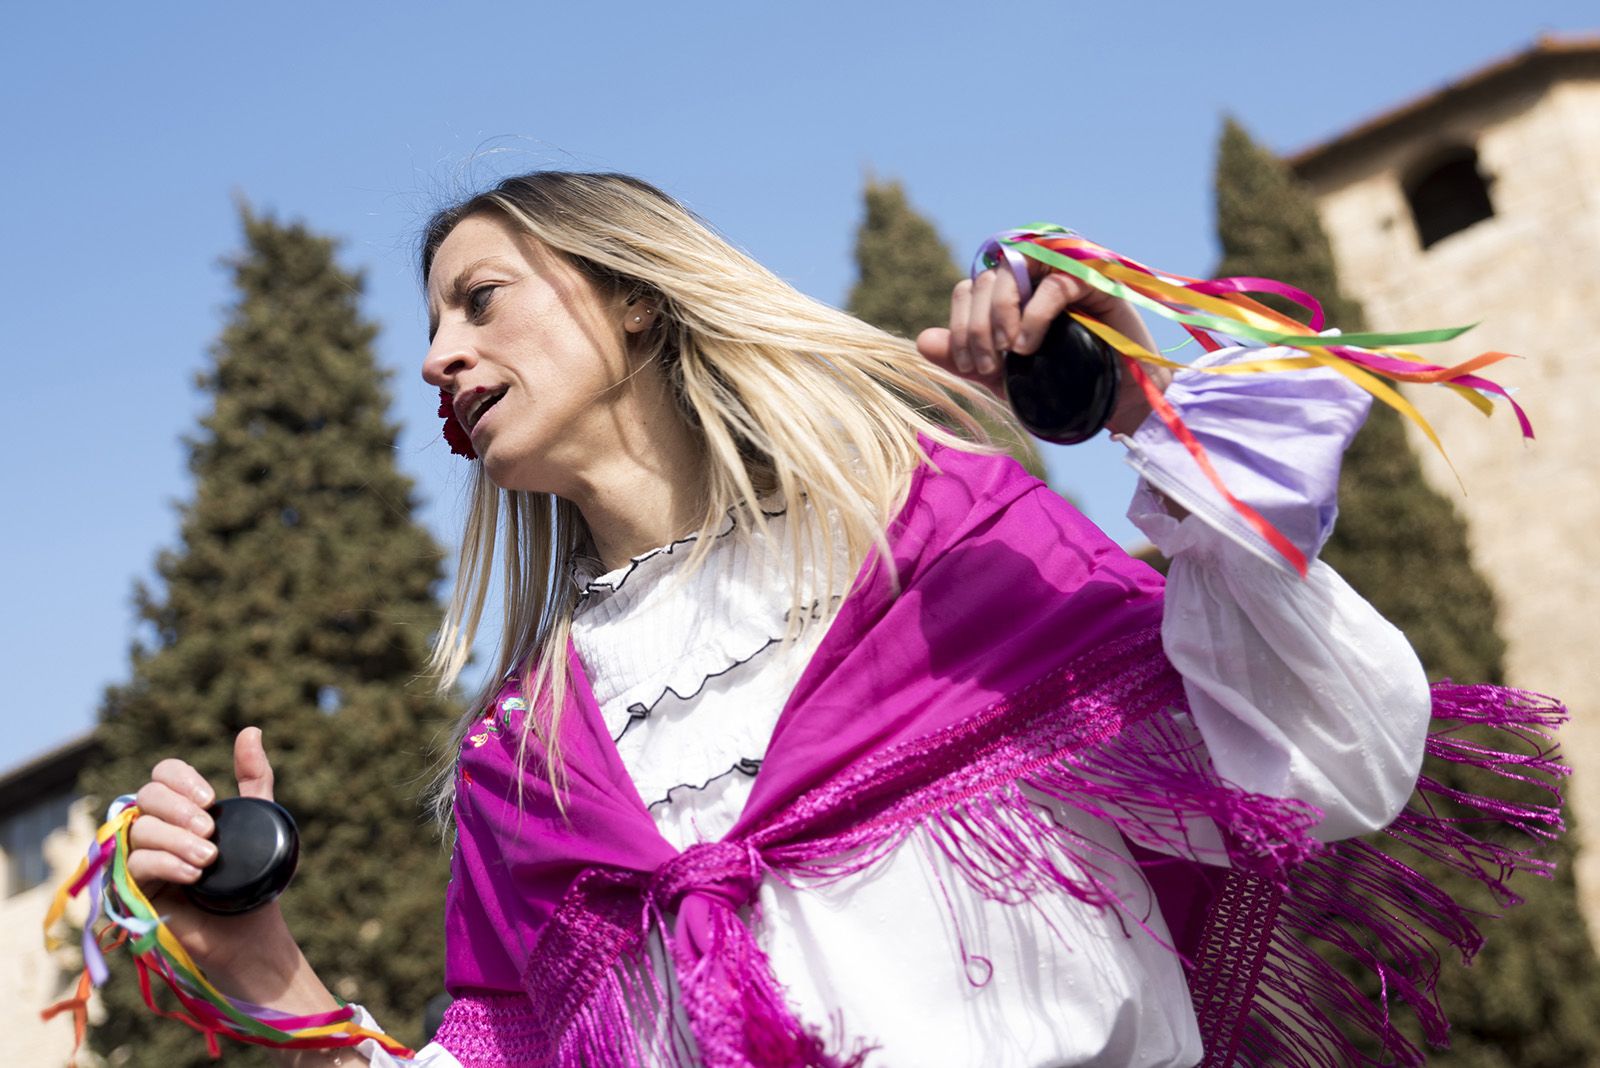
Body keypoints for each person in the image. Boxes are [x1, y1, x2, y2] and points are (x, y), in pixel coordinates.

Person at [120, 172, 1545, 1068]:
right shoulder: (522, 761)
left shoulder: (936, 541)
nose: (436, 355)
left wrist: (1134, 411)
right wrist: (269, 973)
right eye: (430, 331)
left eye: (479, 298)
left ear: (627, 300)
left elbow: (1334, 761)